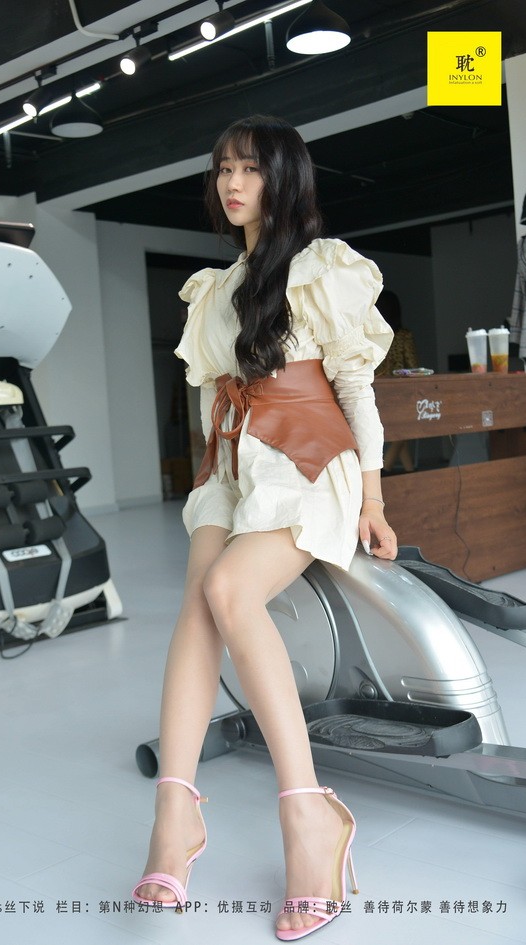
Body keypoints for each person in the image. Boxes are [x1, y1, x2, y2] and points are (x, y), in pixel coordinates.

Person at [132, 114, 398, 941]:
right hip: (235, 464)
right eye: (222, 169)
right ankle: (174, 814)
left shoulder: (320, 267)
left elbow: (353, 386)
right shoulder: (214, 290)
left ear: (283, 178)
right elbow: (212, 398)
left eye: (248, 168)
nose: (232, 183)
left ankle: (308, 814)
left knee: (228, 589)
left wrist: (374, 497)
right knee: (196, 606)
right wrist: (219, 472)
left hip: (308, 458)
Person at [374, 289, 420, 473]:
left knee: (399, 431)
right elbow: (413, 365)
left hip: (375, 390)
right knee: (405, 429)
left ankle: (410, 472)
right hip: (399, 391)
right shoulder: (403, 335)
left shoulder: (372, 336)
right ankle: (385, 469)